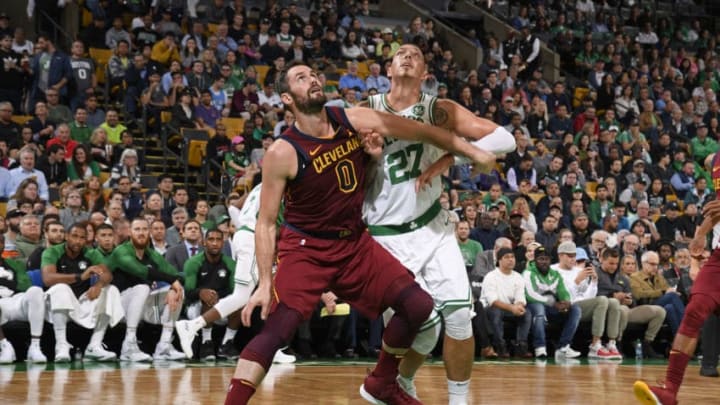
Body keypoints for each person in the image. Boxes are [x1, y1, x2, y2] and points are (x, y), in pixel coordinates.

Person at [224, 61, 494, 404]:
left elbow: (421, 130)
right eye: (301, 78)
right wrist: (264, 283)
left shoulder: (349, 119)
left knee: (418, 305)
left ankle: (381, 382)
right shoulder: (283, 152)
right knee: (276, 330)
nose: (313, 80)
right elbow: (265, 223)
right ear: (286, 98)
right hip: (306, 249)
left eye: (313, 74)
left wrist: (469, 150)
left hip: (353, 243)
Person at [360, 43, 515, 404]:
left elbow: (504, 138)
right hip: (384, 238)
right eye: (401, 53)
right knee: (421, 330)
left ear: (426, 73)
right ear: (388, 68)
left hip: (434, 229)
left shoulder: (438, 110)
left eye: (416, 54)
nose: (408, 56)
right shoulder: (366, 111)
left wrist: (449, 158)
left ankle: (458, 401)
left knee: (460, 316)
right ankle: (400, 382)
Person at [176, 183, 295, 363]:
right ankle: (192, 326)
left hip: (248, 236)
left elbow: (233, 207)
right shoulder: (279, 189)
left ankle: (271, 346)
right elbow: (275, 229)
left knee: (268, 294)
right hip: (255, 239)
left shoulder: (261, 185)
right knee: (244, 296)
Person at [106, 218, 185, 362]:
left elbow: (175, 273)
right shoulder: (121, 251)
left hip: (140, 308)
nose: (141, 233)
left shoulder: (151, 254)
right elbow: (140, 271)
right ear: (130, 232)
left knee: (179, 291)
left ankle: (164, 346)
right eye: (137, 229)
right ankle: (128, 345)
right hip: (115, 308)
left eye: (144, 229)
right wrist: (172, 281)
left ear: (149, 232)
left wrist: (173, 287)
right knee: (142, 288)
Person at [42, 223, 123, 362]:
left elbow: (108, 274)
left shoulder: (90, 253)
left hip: (80, 303)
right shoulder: (52, 252)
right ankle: (61, 345)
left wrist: (99, 284)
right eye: (74, 236)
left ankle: (94, 345)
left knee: (111, 290)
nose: (78, 241)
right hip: (55, 309)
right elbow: (47, 279)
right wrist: (80, 276)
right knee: (61, 288)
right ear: (66, 236)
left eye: (82, 238)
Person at [0, 233, 47, 363]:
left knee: (36, 291)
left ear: (3, 245)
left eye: (0, 242)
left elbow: (26, 285)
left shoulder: (14, 264)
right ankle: (5, 346)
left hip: (15, 300)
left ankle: (35, 346)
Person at [481, 247, 532, 358]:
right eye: (507, 257)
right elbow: (492, 301)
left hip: (509, 309)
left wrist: (519, 306)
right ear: (499, 260)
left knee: (527, 313)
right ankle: (499, 346)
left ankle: (520, 346)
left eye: (512, 257)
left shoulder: (518, 277)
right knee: (496, 312)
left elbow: (520, 297)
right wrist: (512, 308)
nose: (511, 260)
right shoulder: (491, 276)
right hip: (490, 309)